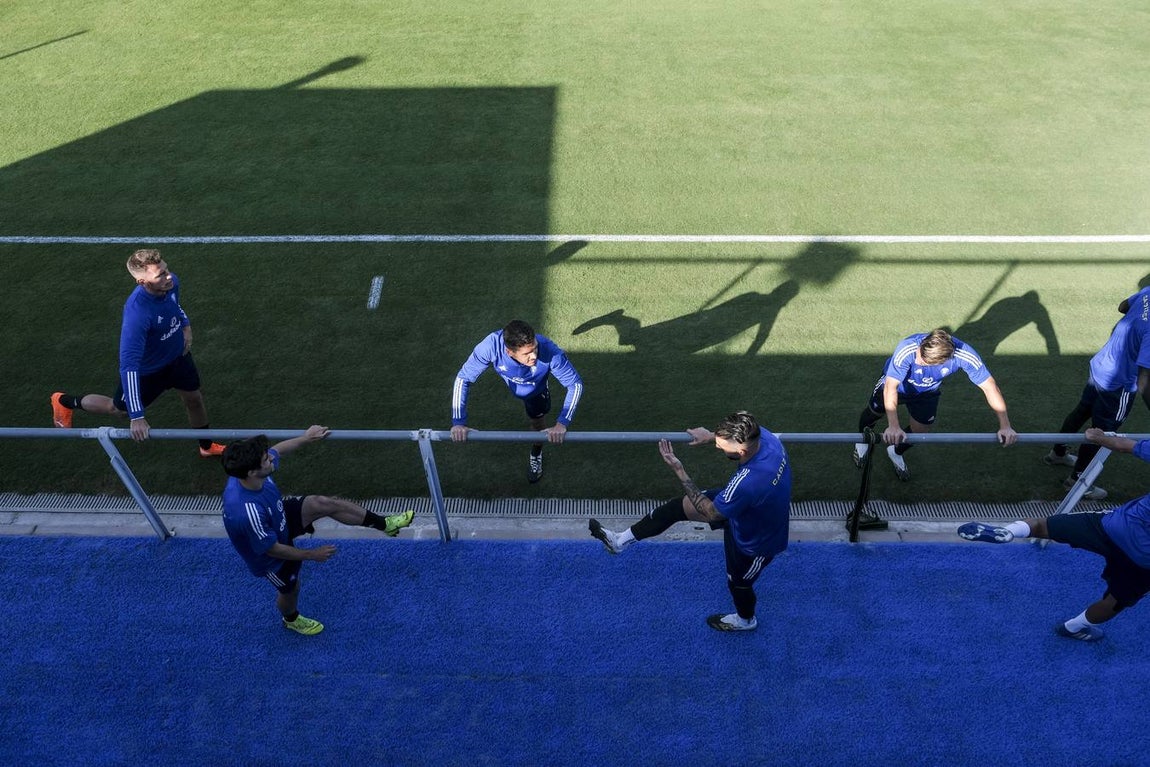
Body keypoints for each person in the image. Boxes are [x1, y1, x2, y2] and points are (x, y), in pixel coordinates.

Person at [588, 411, 790, 632]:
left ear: (741, 450)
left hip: (756, 539)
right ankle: (620, 542)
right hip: (747, 506)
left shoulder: (747, 483)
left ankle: (746, 620)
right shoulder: (766, 439)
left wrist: (679, 470)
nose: (717, 447)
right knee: (678, 508)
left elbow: (712, 513)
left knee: (739, 583)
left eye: (722, 446)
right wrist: (711, 435)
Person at [958, 428, 1150, 643]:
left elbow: (1124, 445)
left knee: (1043, 526)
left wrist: (1098, 437)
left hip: (1115, 526)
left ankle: (1009, 531)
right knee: (1115, 602)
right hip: (1142, 560)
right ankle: (1075, 627)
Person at [221, 425, 415, 636]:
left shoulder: (253, 472)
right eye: (266, 459)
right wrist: (312, 555)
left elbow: (279, 449)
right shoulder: (247, 512)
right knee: (290, 589)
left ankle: (386, 524)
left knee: (321, 503)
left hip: (276, 516)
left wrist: (306, 438)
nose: (271, 458)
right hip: (269, 554)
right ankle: (291, 619)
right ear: (252, 472)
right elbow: (272, 549)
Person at [50, 248, 226, 457]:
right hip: (148, 372)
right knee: (118, 410)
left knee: (194, 399)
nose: (168, 276)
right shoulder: (137, 314)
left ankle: (206, 447)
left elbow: (174, 306)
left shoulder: (171, 283)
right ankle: (64, 401)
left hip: (178, 358)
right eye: (160, 275)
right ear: (142, 282)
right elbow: (129, 365)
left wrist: (185, 325)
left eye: (166, 269)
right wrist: (137, 416)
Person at [853, 327, 1017, 480]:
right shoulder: (908, 349)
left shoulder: (964, 355)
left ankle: (895, 451)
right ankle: (862, 440)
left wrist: (1005, 425)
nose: (916, 358)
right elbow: (890, 387)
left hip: (926, 393)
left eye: (922, 361)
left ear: (943, 361)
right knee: (874, 412)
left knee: (920, 431)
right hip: (897, 386)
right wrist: (893, 425)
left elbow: (990, 387)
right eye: (919, 352)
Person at [1044, 286, 1150, 500]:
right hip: (1119, 384)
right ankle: (1077, 480)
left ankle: (1058, 453)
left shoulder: (1148, 290)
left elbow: (1123, 306)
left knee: (1081, 411)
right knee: (1103, 434)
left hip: (1101, 366)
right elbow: (1144, 381)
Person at [451, 319, 584, 483]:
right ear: (509, 352)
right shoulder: (490, 346)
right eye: (527, 354)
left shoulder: (549, 351)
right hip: (512, 381)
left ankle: (536, 453)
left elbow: (575, 384)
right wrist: (458, 422)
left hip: (535, 390)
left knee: (537, 425)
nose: (534, 356)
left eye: (535, 348)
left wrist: (562, 423)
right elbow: (463, 378)